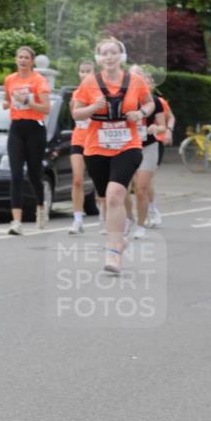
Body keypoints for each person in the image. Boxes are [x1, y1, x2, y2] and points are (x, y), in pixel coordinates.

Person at [71, 37, 154, 273]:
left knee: (115, 193)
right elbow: (76, 114)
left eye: (113, 52)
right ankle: (120, 240)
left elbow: (149, 105)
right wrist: (92, 108)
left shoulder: (135, 81)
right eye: (104, 53)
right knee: (106, 199)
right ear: (99, 58)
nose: (109, 57)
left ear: (122, 56)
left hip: (128, 146)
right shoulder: (89, 82)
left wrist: (139, 113)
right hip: (96, 148)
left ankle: (113, 252)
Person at [2, 46, 51, 234]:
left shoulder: (39, 81)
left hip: (35, 129)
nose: (22, 60)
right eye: (19, 57)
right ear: (16, 60)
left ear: (32, 61)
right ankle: (16, 222)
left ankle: (40, 207)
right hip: (16, 128)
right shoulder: (9, 80)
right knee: (15, 175)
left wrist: (27, 101)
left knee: (33, 174)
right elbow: (6, 100)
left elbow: (46, 109)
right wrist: (8, 103)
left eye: (26, 58)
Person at [125, 66, 167, 240]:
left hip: (148, 147)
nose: (135, 76)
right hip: (127, 146)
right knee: (121, 188)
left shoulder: (154, 101)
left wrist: (155, 127)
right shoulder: (123, 98)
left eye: (138, 73)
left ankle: (141, 226)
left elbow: (162, 125)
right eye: (132, 73)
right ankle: (129, 217)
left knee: (141, 188)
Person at [68, 59, 95, 235]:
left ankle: (106, 216)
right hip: (78, 138)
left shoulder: (100, 92)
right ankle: (78, 219)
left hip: (95, 140)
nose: (84, 74)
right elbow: (75, 116)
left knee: (101, 182)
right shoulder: (76, 94)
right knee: (77, 179)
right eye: (82, 71)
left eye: (88, 71)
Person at [148, 92, 175, 227]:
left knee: (147, 179)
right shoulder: (127, 98)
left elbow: (170, 118)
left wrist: (168, 131)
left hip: (155, 141)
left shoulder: (158, 101)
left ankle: (152, 210)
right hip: (132, 143)